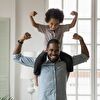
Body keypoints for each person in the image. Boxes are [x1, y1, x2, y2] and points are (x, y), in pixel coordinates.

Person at [13, 32, 89, 100]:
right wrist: (21, 40)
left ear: (60, 50)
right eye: (51, 50)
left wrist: (81, 40)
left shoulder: (66, 62)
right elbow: (16, 57)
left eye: (56, 50)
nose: (54, 53)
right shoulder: (37, 62)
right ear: (46, 50)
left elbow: (85, 56)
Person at [29, 8, 78, 85]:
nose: (53, 26)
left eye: (56, 24)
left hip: (58, 52)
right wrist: (30, 16)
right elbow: (34, 24)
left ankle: (67, 77)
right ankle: (35, 77)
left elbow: (72, 25)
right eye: (51, 23)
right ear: (47, 21)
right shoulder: (45, 28)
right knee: (38, 61)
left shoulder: (61, 29)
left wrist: (76, 16)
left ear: (59, 23)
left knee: (69, 59)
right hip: (46, 51)